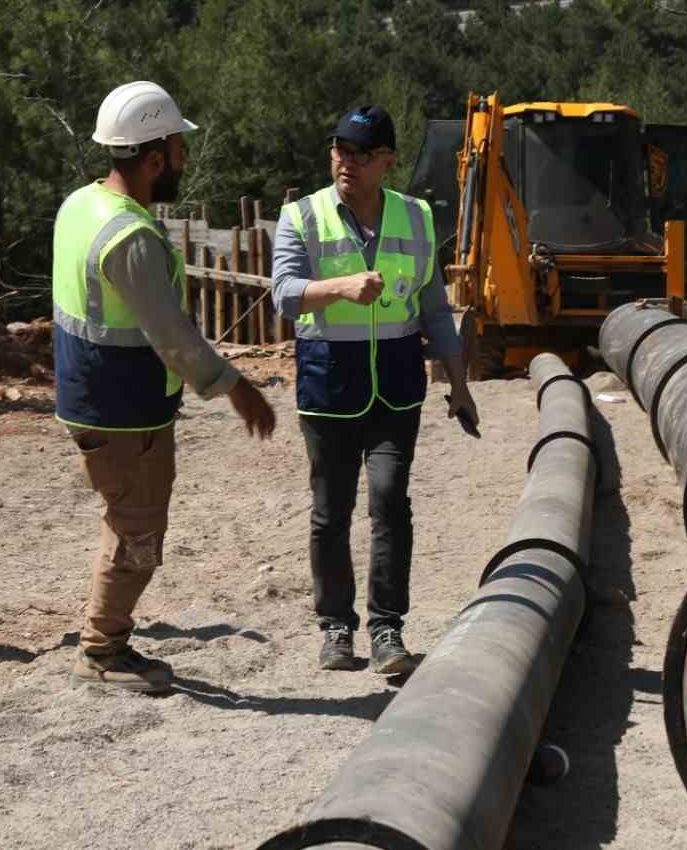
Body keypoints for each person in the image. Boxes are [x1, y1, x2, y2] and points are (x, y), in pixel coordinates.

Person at [53, 80, 276, 693]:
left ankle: (107, 637)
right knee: (140, 529)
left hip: (94, 400)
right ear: (154, 157)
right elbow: (171, 334)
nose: (183, 158)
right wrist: (237, 388)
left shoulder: (80, 205)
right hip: (123, 411)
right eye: (178, 148)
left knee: (127, 521)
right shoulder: (131, 237)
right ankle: (103, 651)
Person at [271, 104, 478, 675]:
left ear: (387, 160)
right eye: (340, 149)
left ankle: (388, 630)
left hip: (395, 385)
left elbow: (434, 309)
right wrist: (341, 287)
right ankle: (336, 627)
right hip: (328, 379)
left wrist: (458, 383)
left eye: (361, 154)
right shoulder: (302, 216)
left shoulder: (416, 218)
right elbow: (284, 294)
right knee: (330, 511)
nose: (347, 162)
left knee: (389, 501)